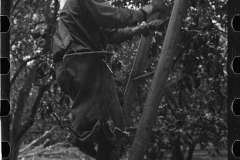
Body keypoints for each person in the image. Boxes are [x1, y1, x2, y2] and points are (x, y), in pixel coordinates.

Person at [52, 0, 165, 159]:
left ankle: (95, 147)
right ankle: (83, 147)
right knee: (89, 123)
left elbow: (109, 34)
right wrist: (148, 9)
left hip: (70, 67)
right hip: (80, 63)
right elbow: (114, 17)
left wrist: (139, 29)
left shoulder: (84, 11)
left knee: (104, 117)